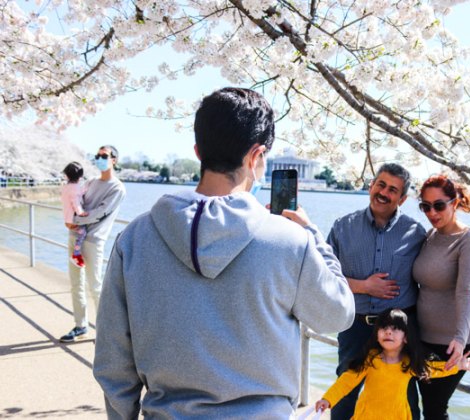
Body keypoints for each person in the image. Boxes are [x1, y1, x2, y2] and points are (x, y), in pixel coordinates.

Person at [93, 87, 356, 419]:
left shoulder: (135, 238)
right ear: (256, 156)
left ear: (198, 151)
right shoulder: (290, 241)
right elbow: (337, 315)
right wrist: (312, 235)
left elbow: (113, 361)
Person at [326, 163, 427, 420]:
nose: (383, 192)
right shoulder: (342, 227)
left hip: (400, 329)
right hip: (355, 325)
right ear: (371, 185)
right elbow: (323, 275)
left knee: (408, 397)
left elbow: (436, 267)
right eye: (380, 184)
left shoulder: (416, 233)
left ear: (402, 198)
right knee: (346, 391)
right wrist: (363, 286)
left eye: (392, 189)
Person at [314, 309, 470, 419]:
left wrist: (459, 365)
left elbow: (434, 369)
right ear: (376, 334)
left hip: (397, 415)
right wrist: (328, 399)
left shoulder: (410, 363)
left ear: (406, 337)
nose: (388, 331)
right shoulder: (370, 359)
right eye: (383, 328)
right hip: (368, 415)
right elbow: (347, 380)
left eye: (395, 328)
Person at [413, 174, 470, 419]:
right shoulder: (431, 236)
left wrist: (460, 339)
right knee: (418, 403)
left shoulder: (468, 240)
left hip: (452, 341)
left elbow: (465, 291)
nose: (432, 212)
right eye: (426, 206)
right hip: (422, 337)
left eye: (439, 205)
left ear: (454, 203)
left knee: (434, 409)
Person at [59, 145, 126, 343]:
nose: (99, 159)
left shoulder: (117, 188)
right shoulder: (89, 183)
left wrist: (74, 221)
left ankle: (105, 331)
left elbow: (100, 213)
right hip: (75, 237)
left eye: (104, 156)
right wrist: (70, 220)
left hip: (94, 240)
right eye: (97, 155)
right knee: (75, 284)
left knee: (95, 286)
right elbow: (75, 202)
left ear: (114, 159)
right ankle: (81, 326)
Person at [61, 162, 88, 268]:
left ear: (67, 175)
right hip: (72, 220)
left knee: (79, 233)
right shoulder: (75, 188)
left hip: (67, 218)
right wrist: (81, 212)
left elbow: (75, 195)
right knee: (82, 233)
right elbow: (75, 201)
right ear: (80, 176)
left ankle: (77, 254)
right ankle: (76, 254)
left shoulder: (66, 187)